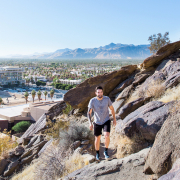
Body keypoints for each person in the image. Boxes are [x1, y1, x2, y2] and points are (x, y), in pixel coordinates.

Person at [87, 86, 116, 161]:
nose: (100, 94)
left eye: (101, 92)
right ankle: (97, 154)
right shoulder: (92, 101)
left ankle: (106, 151)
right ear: (96, 93)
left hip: (106, 120)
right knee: (97, 138)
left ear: (103, 92)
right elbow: (89, 113)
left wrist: (114, 119)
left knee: (107, 135)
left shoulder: (107, 99)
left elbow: (112, 109)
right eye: (98, 92)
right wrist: (90, 123)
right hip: (97, 122)